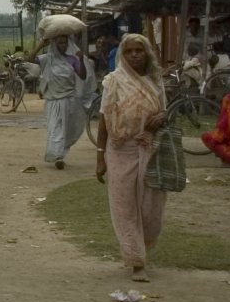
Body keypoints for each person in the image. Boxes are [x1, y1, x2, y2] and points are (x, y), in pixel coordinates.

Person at [87, 31, 170, 279]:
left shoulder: (155, 82)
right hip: (119, 150)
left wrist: (161, 118)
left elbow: (164, 112)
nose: (134, 55)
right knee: (125, 208)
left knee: (150, 209)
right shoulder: (113, 81)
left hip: (150, 149)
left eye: (139, 50)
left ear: (147, 54)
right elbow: (104, 120)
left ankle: (143, 248)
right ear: (122, 55)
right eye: (129, 51)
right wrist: (100, 156)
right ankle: (137, 261)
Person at [33, 31, 92, 168]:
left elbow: (82, 76)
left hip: (69, 100)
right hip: (52, 100)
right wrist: (40, 45)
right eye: (60, 42)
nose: (63, 45)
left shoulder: (72, 59)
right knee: (54, 127)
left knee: (66, 130)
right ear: (54, 44)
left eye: (65, 42)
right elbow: (29, 59)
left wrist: (81, 60)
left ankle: (60, 153)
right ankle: (58, 156)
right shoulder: (47, 58)